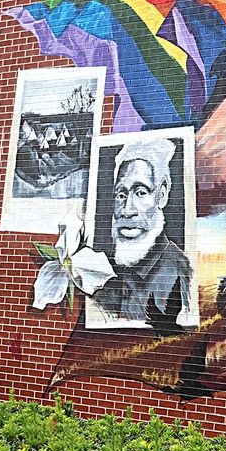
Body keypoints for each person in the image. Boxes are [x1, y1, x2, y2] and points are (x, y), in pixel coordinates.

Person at [92, 136, 193, 327]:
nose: (127, 210)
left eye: (141, 192)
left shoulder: (179, 271)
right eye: (121, 194)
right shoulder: (112, 273)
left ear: (161, 196)